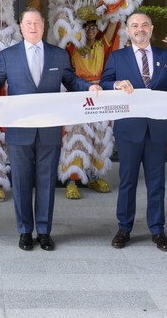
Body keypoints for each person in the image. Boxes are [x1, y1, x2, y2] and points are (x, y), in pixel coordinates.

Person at [0, 8, 90, 251]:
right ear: (21, 26)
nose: (32, 27)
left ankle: (45, 231)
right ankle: (24, 231)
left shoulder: (58, 55)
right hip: (20, 131)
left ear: (43, 25)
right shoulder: (9, 55)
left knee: (47, 182)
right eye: (28, 23)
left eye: (36, 23)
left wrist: (88, 87)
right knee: (20, 181)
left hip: (49, 130)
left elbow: (71, 81)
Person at [98, 12, 167, 252]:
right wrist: (116, 84)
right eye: (134, 25)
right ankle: (124, 229)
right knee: (127, 181)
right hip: (129, 130)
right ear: (128, 31)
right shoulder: (117, 58)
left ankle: (158, 230)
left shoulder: (165, 56)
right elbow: (104, 83)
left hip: (157, 129)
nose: (140, 29)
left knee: (156, 182)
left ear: (152, 29)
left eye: (144, 25)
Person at [59, 19, 119, 199]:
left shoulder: (102, 44)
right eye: (87, 27)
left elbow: (114, 22)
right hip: (78, 93)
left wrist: (115, 3)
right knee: (76, 138)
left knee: (99, 137)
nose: (91, 30)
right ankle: (72, 180)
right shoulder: (71, 46)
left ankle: (95, 176)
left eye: (94, 26)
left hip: (99, 94)